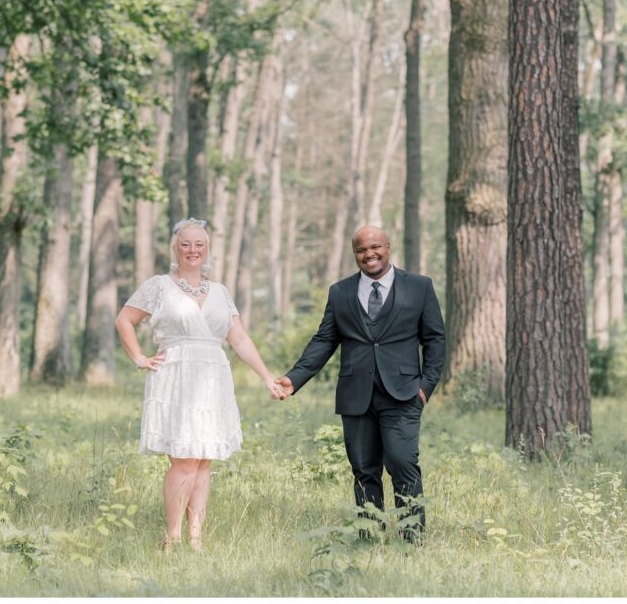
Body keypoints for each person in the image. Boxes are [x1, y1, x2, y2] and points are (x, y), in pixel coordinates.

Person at [115, 218, 286, 552]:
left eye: (199, 244)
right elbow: (124, 320)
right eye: (185, 244)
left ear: (207, 249)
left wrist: (267, 377)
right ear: (175, 249)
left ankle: (196, 537)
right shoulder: (159, 285)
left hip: (213, 377)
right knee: (184, 459)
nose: (192, 250)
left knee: (204, 459)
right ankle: (172, 535)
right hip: (176, 376)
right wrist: (139, 358)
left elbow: (239, 339)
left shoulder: (220, 292)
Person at [275, 225, 445, 543]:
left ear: (388, 246)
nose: (369, 255)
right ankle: (368, 537)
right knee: (364, 469)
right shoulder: (340, 292)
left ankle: (412, 539)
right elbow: (324, 340)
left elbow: (435, 339)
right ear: (355, 254)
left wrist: (425, 387)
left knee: (402, 463)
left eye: (375, 247)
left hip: (404, 393)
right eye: (361, 250)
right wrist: (294, 378)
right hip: (356, 397)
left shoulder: (419, 287)